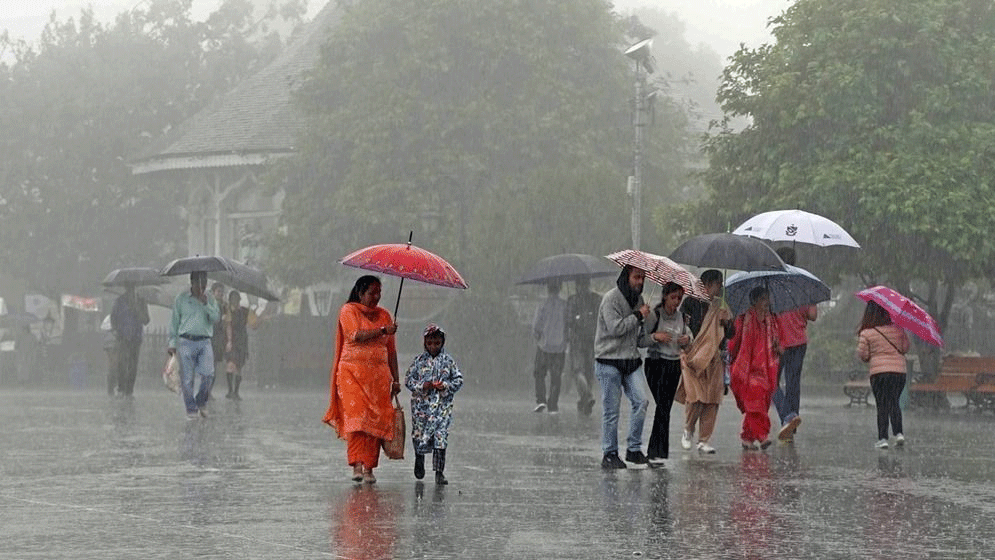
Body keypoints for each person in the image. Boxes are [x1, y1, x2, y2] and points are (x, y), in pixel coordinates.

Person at [323, 275, 400, 484]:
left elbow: (391, 352)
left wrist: (396, 379)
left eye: (379, 293)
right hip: (351, 376)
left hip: (378, 380)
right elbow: (355, 335)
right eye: (371, 293)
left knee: (375, 421)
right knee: (357, 420)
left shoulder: (385, 315)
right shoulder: (348, 310)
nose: (376, 297)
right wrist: (383, 330)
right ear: (360, 292)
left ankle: (369, 468)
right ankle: (356, 465)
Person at [595, 265, 650, 469]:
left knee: (641, 402)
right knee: (612, 410)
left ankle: (633, 449)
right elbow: (616, 328)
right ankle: (609, 453)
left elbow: (639, 338)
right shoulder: (611, 299)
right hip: (608, 360)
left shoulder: (640, 301)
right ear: (626, 277)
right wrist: (637, 316)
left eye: (643, 278)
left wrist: (655, 337)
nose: (640, 282)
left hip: (631, 360)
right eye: (637, 277)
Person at [676, 270, 733, 454]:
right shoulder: (690, 303)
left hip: (714, 357)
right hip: (692, 356)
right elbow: (681, 327)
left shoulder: (722, 306)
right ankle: (688, 429)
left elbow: (730, 334)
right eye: (718, 283)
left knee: (712, 399)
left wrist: (727, 323)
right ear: (707, 284)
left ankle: (704, 440)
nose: (721, 287)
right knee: (695, 396)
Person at [640, 282, 692, 465]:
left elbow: (689, 338)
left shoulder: (683, 318)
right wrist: (656, 337)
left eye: (679, 298)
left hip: (673, 365)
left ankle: (658, 453)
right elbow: (641, 340)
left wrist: (687, 340)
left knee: (665, 408)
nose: (676, 302)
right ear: (664, 297)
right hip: (655, 364)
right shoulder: (655, 315)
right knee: (662, 406)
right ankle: (655, 452)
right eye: (673, 297)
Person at [405, 323, 464, 485]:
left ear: (442, 342)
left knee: (440, 438)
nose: (433, 347)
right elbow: (408, 381)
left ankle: (439, 472)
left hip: (441, 408)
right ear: (424, 343)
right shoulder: (418, 361)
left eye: (437, 343)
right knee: (419, 435)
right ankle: (419, 459)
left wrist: (445, 386)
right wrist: (424, 386)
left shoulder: (448, 361)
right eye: (430, 343)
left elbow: (459, 380)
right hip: (421, 409)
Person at [772, 246, 817, 441]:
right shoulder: (804, 283)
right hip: (799, 341)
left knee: (771, 383)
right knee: (793, 384)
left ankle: (786, 418)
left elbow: (769, 313)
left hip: (778, 342)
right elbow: (813, 315)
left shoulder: (773, 284)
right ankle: (791, 422)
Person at [728, 286, 781, 450]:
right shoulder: (743, 320)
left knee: (762, 403)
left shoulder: (771, 321)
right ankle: (762, 435)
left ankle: (747, 437)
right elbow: (733, 343)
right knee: (754, 404)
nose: (767, 303)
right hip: (747, 370)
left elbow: (777, 342)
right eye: (764, 299)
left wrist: (778, 346)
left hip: (766, 369)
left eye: (768, 299)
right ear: (755, 301)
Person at [857, 300, 910, 449]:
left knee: (882, 405)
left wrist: (871, 356)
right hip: (899, 372)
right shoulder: (898, 330)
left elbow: (863, 355)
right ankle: (899, 433)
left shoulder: (867, 333)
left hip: (879, 373)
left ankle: (883, 438)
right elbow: (905, 348)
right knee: (894, 401)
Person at [169, 271, 221, 419]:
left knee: (208, 375)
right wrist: (172, 343)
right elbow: (174, 322)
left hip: (204, 341)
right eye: (199, 283)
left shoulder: (209, 298)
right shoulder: (181, 298)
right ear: (192, 283)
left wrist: (206, 304)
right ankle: (191, 409)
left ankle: (201, 401)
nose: (201, 287)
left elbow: (216, 318)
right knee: (187, 379)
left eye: (204, 283)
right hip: (186, 341)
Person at [566, 277, 601, 416]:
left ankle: (587, 396)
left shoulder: (572, 300)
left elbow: (568, 321)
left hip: (577, 341)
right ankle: (584, 401)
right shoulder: (596, 299)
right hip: (592, 340)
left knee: (577, 370)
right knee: (588, 371)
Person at [532, 280, 567, 413]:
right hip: (559, 346)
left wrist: (538, 336)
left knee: (539, 373)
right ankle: (553, 404)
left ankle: (541, 400)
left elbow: (536, 326)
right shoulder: (565, 305)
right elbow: (568, 324)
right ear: (560, 288)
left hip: (544, 346)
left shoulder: (542, 304)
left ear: (548, 289)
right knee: (556, 376)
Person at [111, 285, 150, 397]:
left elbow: (146, 320)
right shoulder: (119, 301)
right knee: (122, 363)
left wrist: (137, 310)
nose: (131, 291)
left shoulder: (141, 301)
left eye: (133, 288)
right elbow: (113, 317)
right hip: (122, 336)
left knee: (133, 364)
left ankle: (129, 389)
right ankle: (121, 387)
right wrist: (116, 329)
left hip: (136, 337)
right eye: (129, 288)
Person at [224, 289, 259, 401]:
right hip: (232, 339)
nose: (234, 301)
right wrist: (229, 341)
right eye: (232, 299)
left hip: (242, 340)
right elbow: (228, 325)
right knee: (230, 364)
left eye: (236, 299)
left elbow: (253, 325)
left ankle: (236, 392)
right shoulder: (228, 311)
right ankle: (230, 390)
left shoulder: (245, 311)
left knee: (239, 366)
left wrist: (258, 318)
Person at [211, 282, 227, 397]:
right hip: (211, 338)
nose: (220, 294)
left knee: (214, 365)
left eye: (222, 292)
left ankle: (208, 390)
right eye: (218, 291)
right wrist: (221, 320)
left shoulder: (224, 306)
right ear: (213, 293)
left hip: (218, 339)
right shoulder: (211, 305)